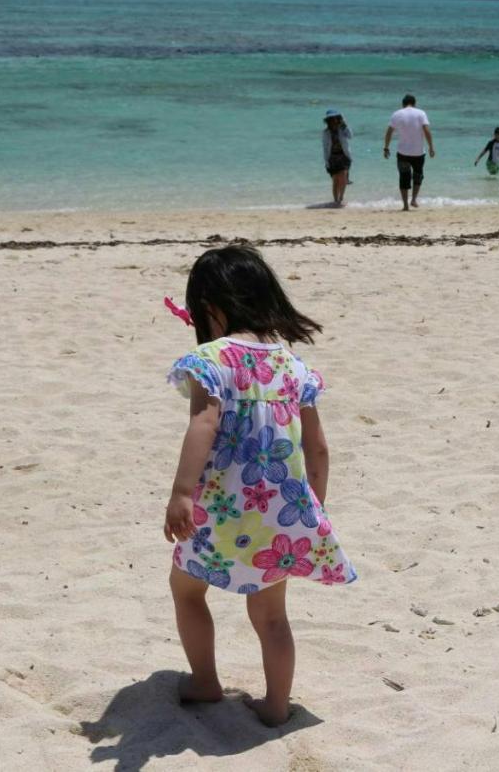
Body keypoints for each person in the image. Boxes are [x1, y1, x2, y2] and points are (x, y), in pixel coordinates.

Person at [163, 246, 357, 727]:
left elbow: (204, 424)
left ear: (210, 307)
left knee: (186, 590)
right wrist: (312, 508)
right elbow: (319, 449)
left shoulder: (209, 360)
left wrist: (182, 493)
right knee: (271, 617)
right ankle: (275, 705)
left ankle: (205, 681)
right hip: (282, 516)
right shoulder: (293, 367)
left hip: (218, 512)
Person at [383, 94, 435, 211]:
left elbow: (389, 132)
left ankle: (405, 205)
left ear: (403, 103)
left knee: (403, 178)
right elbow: (427, 131)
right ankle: (414, 199)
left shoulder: (397, 114)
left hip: (403, 153)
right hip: (418, 153)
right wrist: (431, 147)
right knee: (418, 176)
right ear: (415, 103)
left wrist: (386, 147)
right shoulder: (421, 113)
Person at [321, 109, 352, 207]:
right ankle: (335, 200)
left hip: (344, 156)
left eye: (336, 118)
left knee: (343, 178)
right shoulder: (325, 132)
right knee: (335, 180)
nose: (334, 121)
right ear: (328, 121)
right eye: (331, 119)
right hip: (332, 157)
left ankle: (341, 199)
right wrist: (326, 161)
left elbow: (350, 136)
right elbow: (325, 148)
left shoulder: (342, 129)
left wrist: (344, 124)